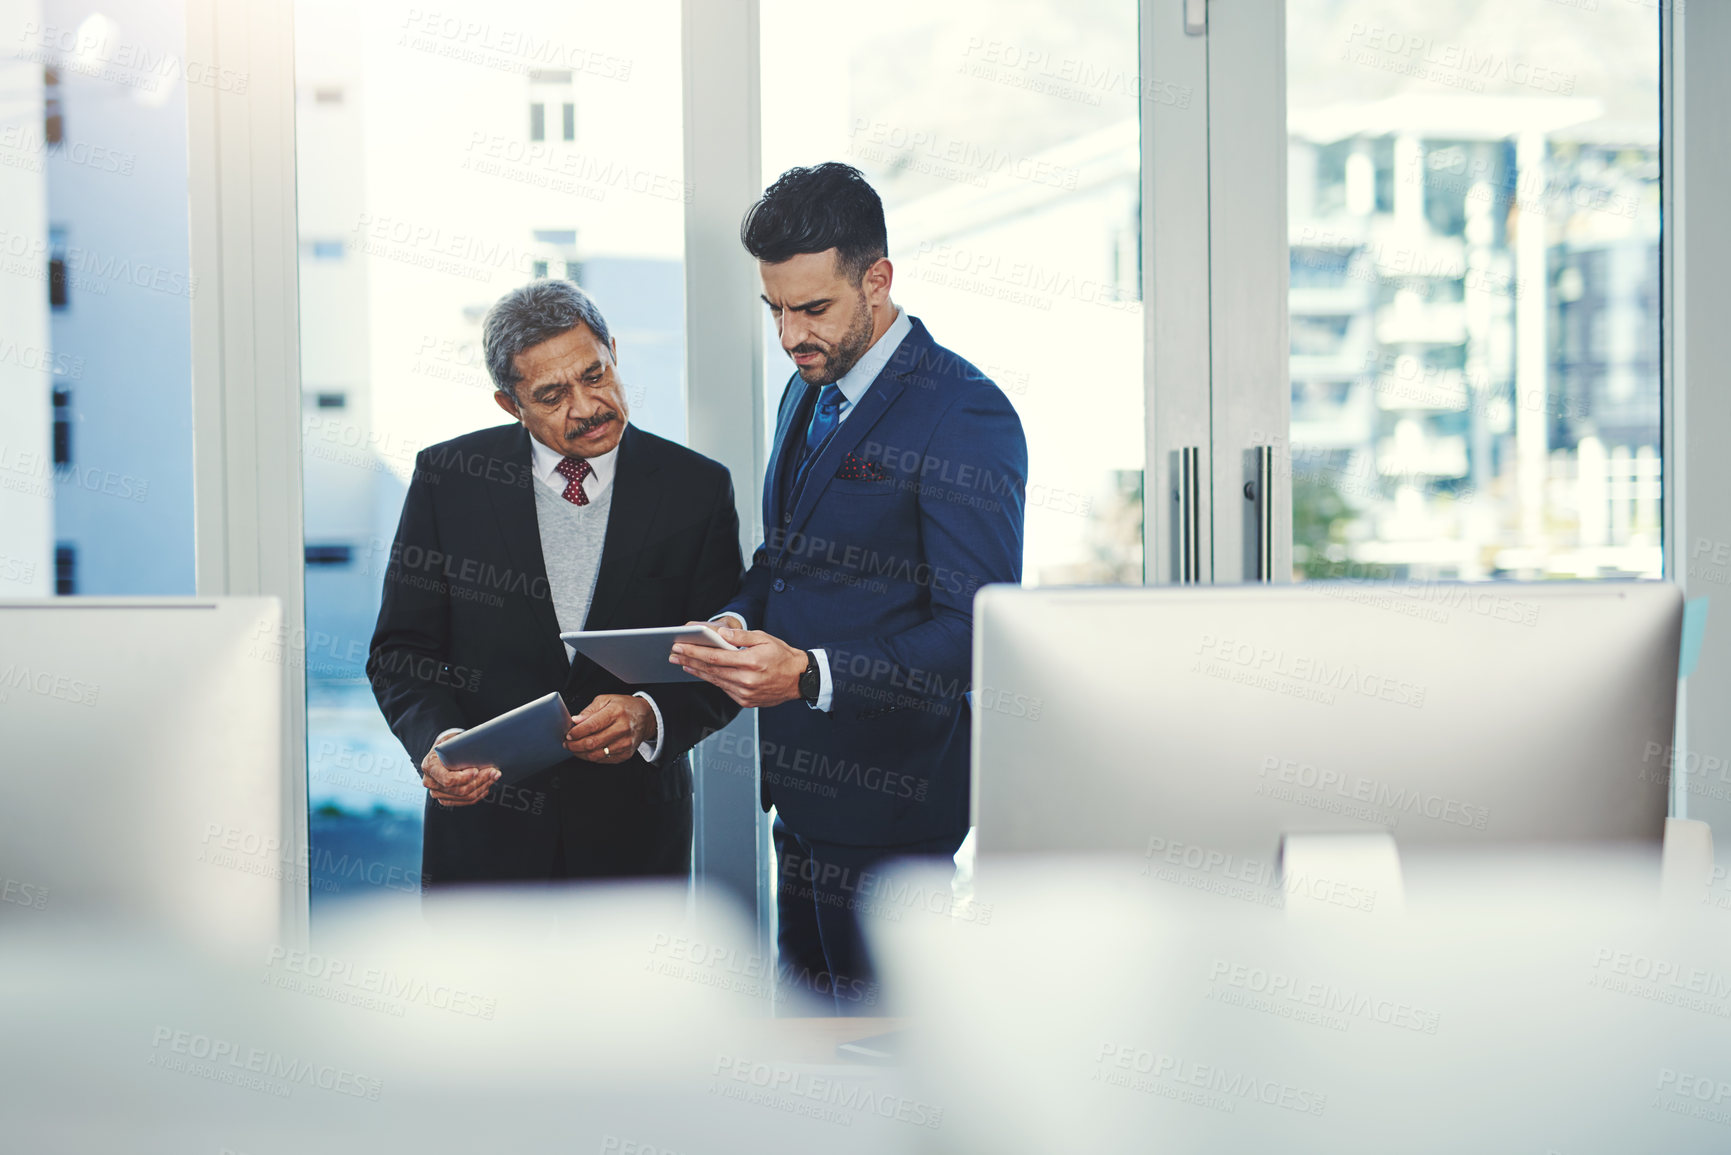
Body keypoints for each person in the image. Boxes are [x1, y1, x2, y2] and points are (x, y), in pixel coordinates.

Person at [674, 162, 1028, 1012]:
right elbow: (784, 562)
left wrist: (809, 674)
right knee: (809, 1067)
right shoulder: (811, 388)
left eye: (813, 307)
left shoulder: (963, 412)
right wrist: (732, 619)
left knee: (889, 1077)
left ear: (878, 279)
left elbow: (977, 629)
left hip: (894, 813)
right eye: (776, 310)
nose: (791, 334)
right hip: (799, 798)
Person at [368, 280, 742, 886]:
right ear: (508, 404)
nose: (587, 407)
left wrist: (650, 715)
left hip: (635, 841)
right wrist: (441, 742)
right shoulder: (449, 479)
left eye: (595, 375)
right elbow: (400, 652)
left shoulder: (696, 488)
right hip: (485, 835)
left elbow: (724, 655)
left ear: (613, 352)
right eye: (551, 394)